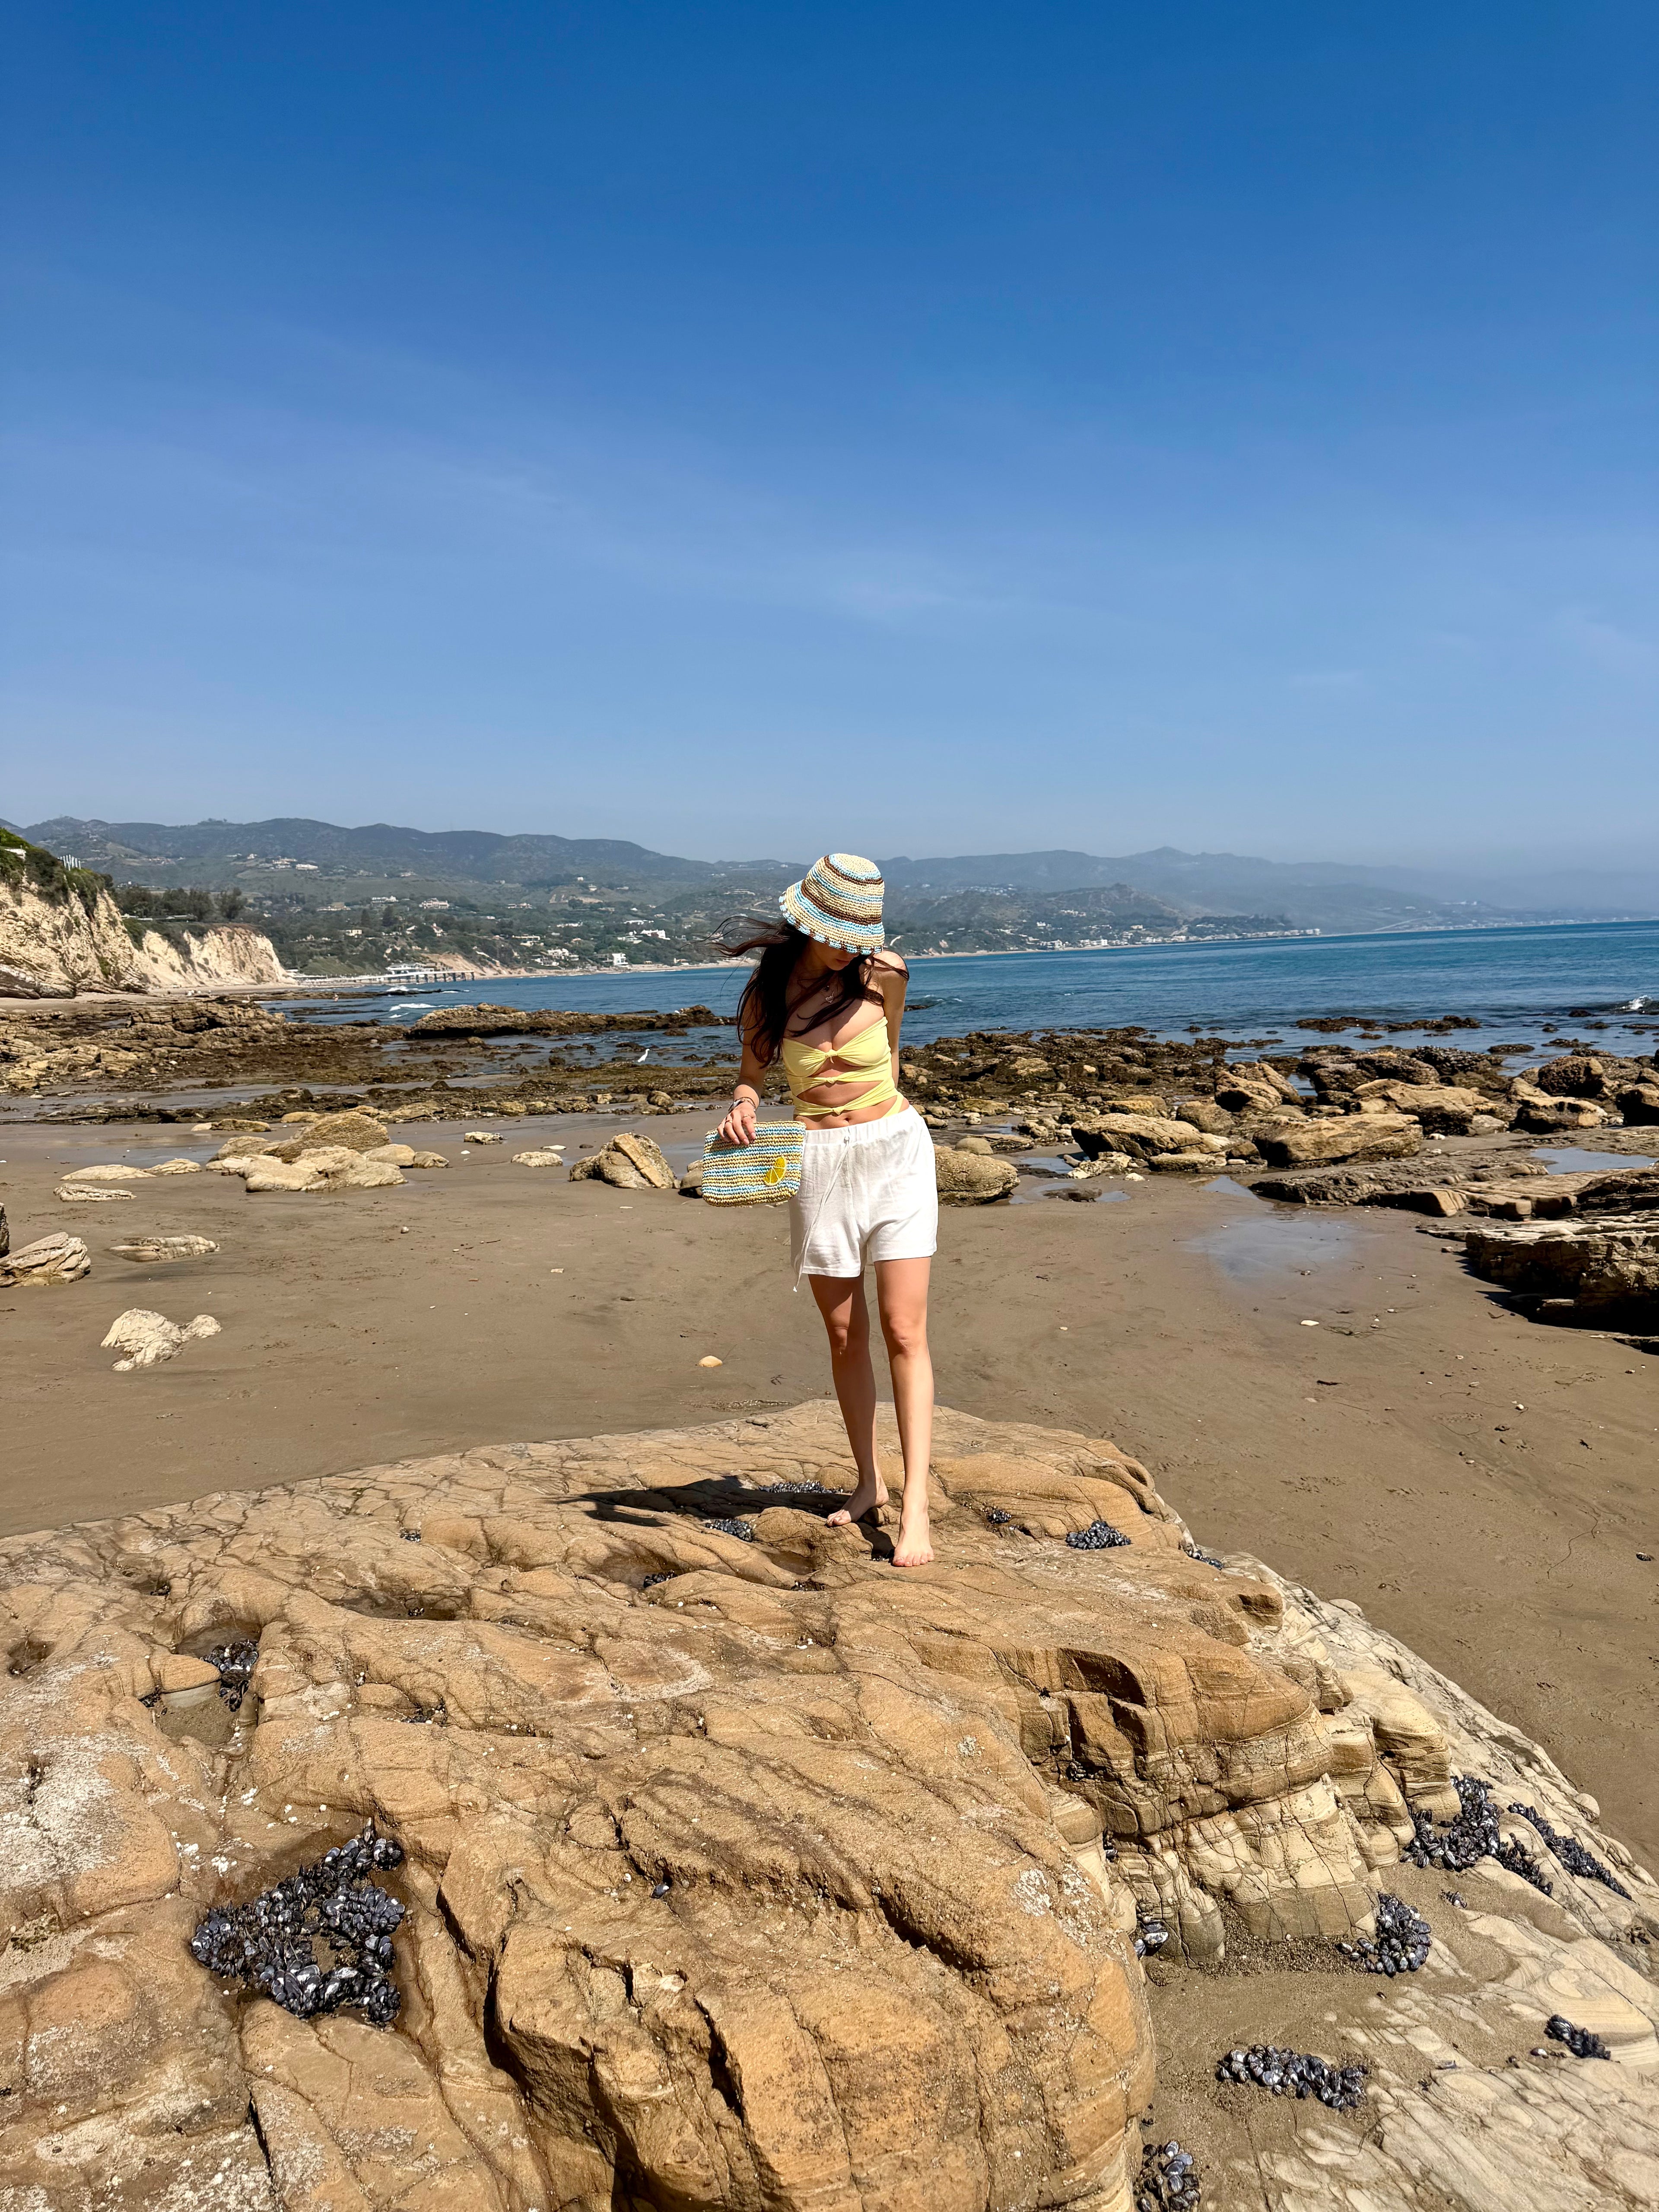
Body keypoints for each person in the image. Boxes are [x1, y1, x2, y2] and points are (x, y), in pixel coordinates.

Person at [718, 854, 938, 1567]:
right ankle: (869, 1482)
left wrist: (883, 1118)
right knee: (846, 1335)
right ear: (806, 922)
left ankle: (917, 1514)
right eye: (835, 930)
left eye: (857, 931)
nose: (848, 945)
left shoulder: (887, 974)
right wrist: (741, 1111)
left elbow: (895, 1055)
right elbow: (752, 1081)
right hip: (820, 1164)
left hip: (897, 1153)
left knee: (906, 1329)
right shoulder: (767, 997)